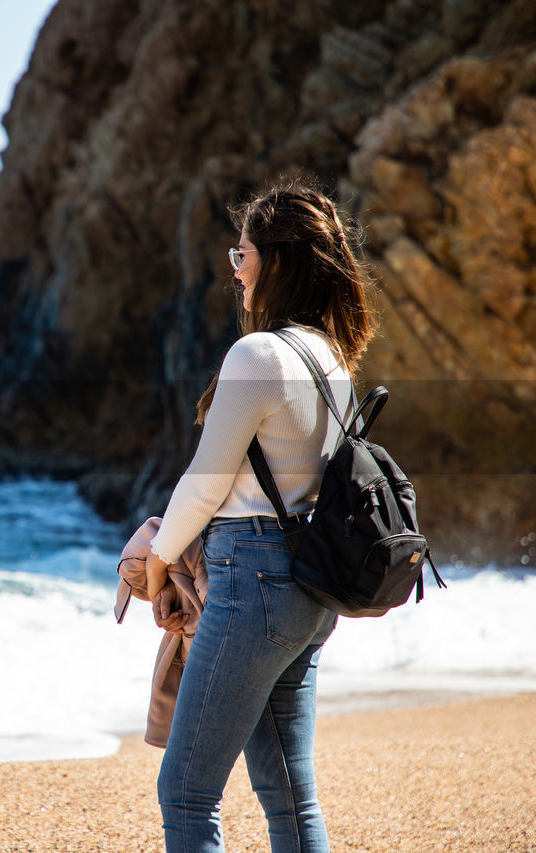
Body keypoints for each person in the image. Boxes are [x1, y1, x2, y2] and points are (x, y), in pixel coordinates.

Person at [146, 177, 377, 853]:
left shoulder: (258, 355)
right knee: (289, 795)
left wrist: (159, 561)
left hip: (253, 586)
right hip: (310, 591)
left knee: (185, 790)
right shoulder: (333, 360)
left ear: (276, 261)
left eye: (241, 255)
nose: (236, 271)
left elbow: (204, 484)